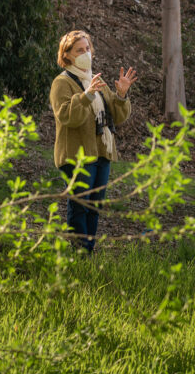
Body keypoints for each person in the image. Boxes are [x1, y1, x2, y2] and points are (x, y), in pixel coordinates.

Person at [50, 30, 136, 253]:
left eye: (87, 49)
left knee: (95, 206)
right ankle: (80, 253)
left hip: (101, 153)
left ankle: (88, 251)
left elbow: (116, 117)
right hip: (76, 155)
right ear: (67, 55)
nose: (85, 53)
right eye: (79, 50)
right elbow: (68, 116)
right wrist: (86, 95)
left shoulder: (97, 82)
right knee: (80, 205)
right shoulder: (62, 83)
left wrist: (121, 95)